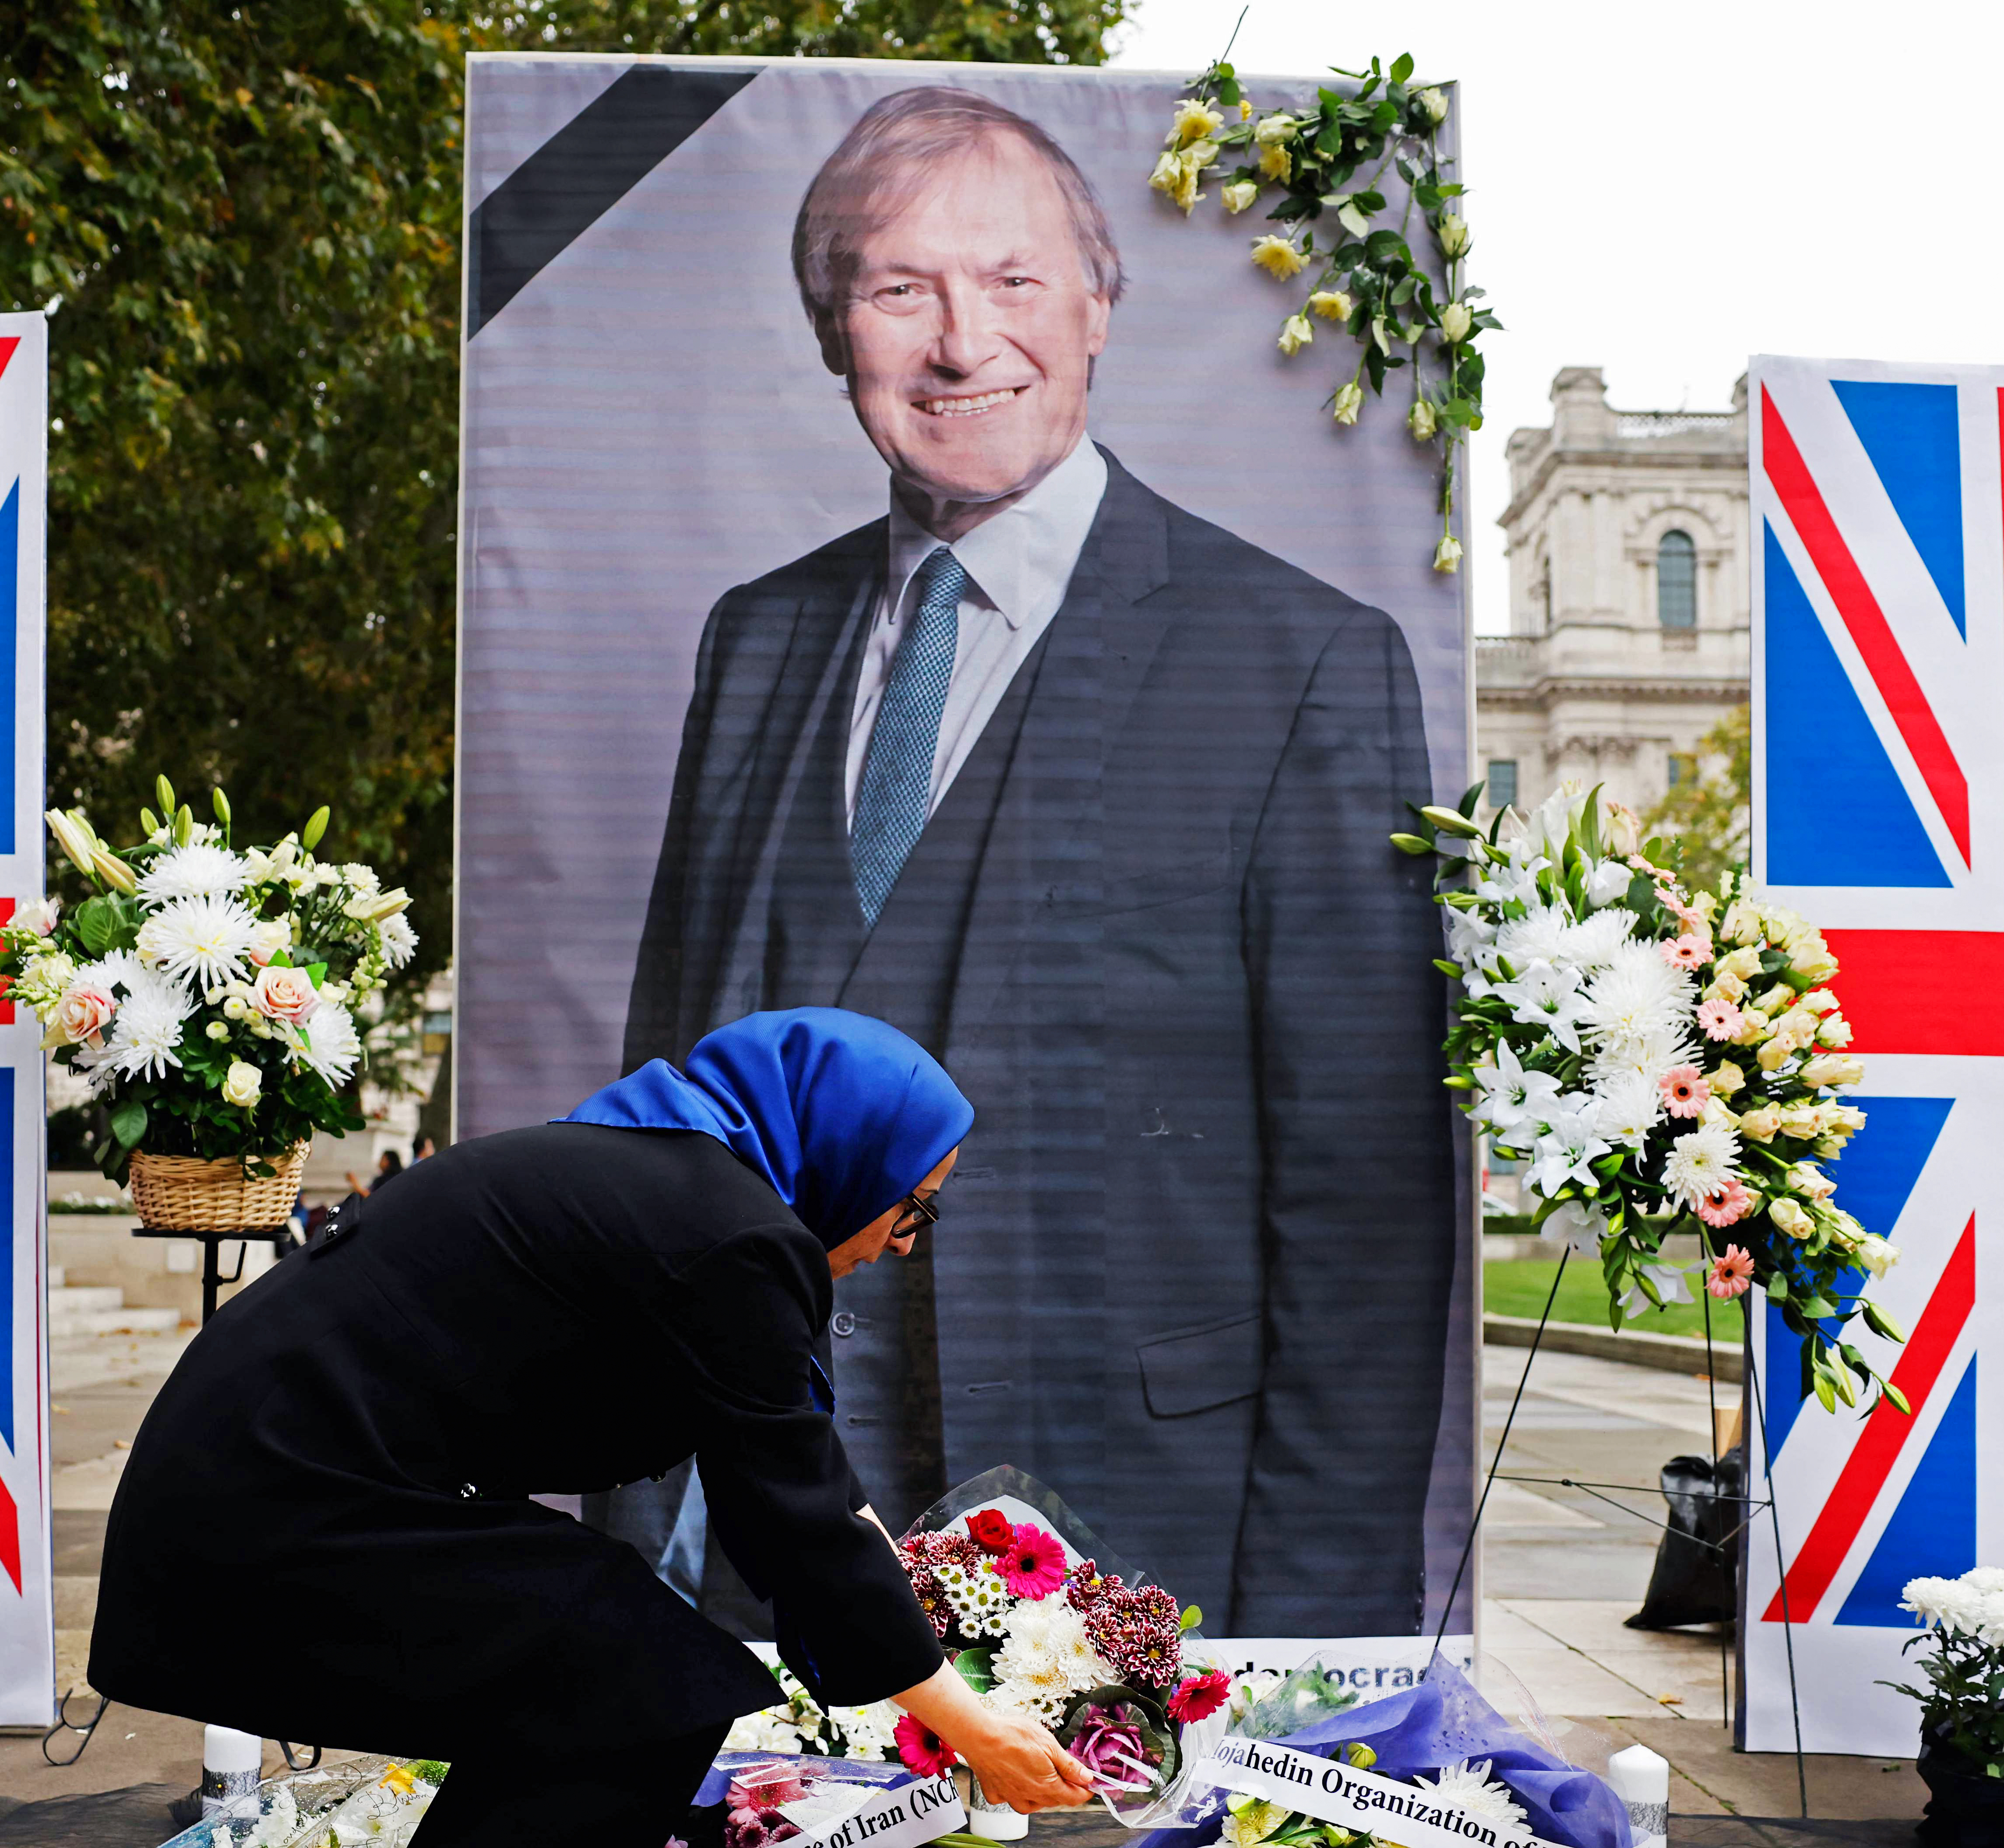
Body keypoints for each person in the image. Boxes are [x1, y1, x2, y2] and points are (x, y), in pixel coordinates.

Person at [616, 83, 1454, 1635]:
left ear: (1098, 307)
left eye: (1009, 280)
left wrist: (1323, 1648)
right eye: (898, 287)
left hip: (1136, 1543)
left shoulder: (1301, 660)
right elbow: (658, 1098)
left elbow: (1368, 1214)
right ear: (832, 331)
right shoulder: (754, 637)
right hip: (756, 1538)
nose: (959, 340)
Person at [89, 1009, 1093, 1846]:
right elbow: (798, 1514)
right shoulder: (728, 1233)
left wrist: (937, 1670)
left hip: (270, 1485)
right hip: (278, 1503)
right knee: (643, 1681)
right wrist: (967, 1722)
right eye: (913, 1208)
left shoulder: (683, 1188)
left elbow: (805, 1478)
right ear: (851, 1154)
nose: (902, 1245)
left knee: (614, 1674)